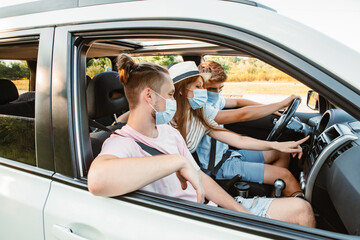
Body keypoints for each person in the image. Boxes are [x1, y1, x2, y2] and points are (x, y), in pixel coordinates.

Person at [87, 54, 315, 227]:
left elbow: (202, 179)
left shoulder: (169, 133)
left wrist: (242, 215)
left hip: (208, 209)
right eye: (168, 94)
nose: (173, 99)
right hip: (192, 222)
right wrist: (177, 162)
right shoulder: (121, 142)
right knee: (300, 213)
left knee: (301, 211)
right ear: (149, 96)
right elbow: (97, 180)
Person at [169, 61, 307, 197]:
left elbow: (238, 106)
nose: (216, 93)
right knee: (285, 176)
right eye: (208, 89)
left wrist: (272, 110)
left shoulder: (200, 110)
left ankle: (271, 191)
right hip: (217, 166)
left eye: (220, 89)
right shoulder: (200, 111)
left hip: (227, 155)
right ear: (181, 90)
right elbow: (242, 115)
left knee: (281, 154)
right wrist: (279, 104)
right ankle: (282, 192)